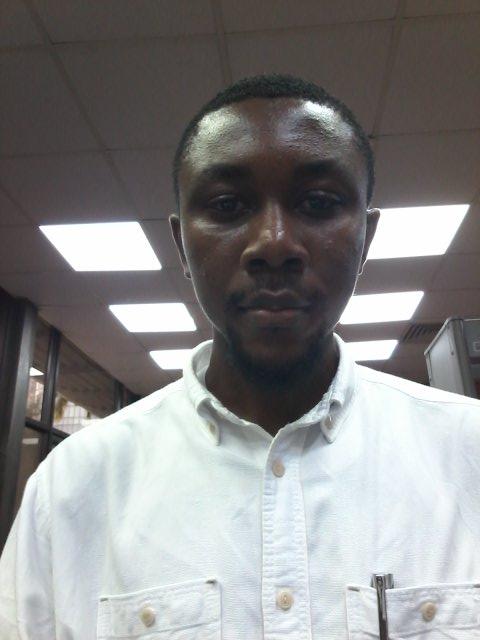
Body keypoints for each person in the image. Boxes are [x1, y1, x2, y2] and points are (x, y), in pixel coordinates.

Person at [1, 73, 479, 640]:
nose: (274, 243)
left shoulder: (467, 453)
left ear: (366, 240)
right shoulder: (72, 489)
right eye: (227, 205)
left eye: (318, 203)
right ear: (181, 246)